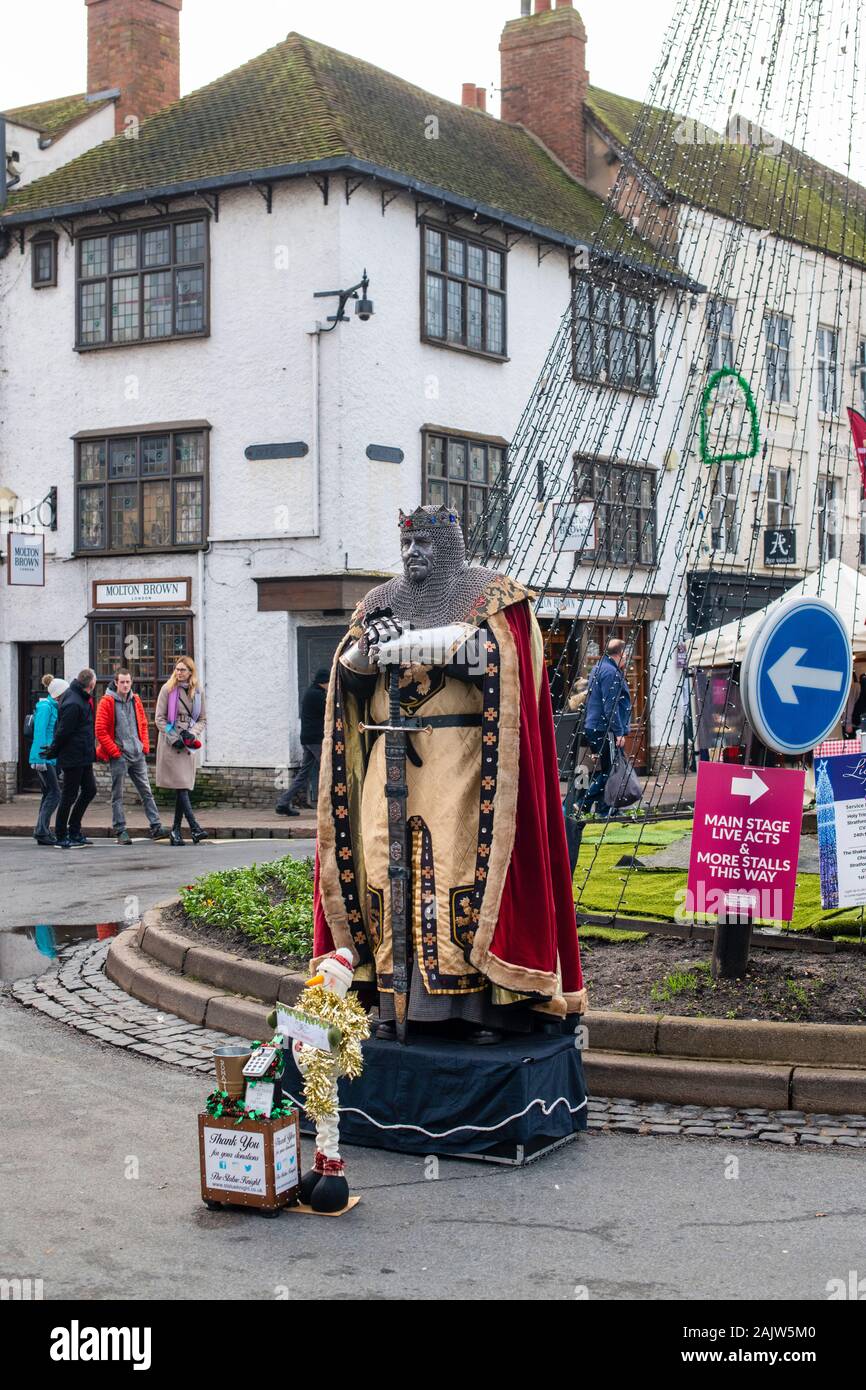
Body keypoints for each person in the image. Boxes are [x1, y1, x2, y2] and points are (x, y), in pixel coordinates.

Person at [313, 503, 586, 1044]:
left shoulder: (495, 599)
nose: (414, 555)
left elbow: (509, 667)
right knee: (386, 876)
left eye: (425, 545)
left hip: (463, 764)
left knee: (458, 874)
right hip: (385, 762)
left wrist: (442, 646)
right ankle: (392, 1002)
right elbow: (347, 679)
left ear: (451, 549)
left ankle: (476, 1009)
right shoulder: (378, 602)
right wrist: (371, 645)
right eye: (407, 545)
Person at [96, 669, 168, 844]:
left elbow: (143, 723)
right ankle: (120, 830)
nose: (126, 685)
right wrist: (115, 752)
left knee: (146, 791)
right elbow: (100, 730)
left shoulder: (135, 700)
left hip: (137, 754)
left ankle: (156, 826)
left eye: (128, 682)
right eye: (122, 682)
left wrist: (144, 746)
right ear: (115, 682)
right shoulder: (107, 702)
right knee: (118, 795)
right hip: (119, 755)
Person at [41, 668, 98, 849]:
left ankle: (74, 830)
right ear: (92, 684)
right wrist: (53, 751)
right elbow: (63, 731)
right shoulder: (74, 702)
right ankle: (61, 835)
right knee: (69, 796)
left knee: (90, 790)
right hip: (73, 756)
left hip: (83, 755)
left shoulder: (79, 697)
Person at [154, 655, 208, 846]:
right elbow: (159, 718)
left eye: (182, 670)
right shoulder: (167, 690)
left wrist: (192, 734)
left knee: (182, 787)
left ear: (190, 672)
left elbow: (202, 719)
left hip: (187, 744)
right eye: (176, 669)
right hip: (172, 742)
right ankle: (194, 827)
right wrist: (174, 738)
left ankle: (176, 831)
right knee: (181, 786)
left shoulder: (198, 692)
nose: (178, 673)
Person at [579, 638, 632, 817]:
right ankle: (583, 802)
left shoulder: (599, 667)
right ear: (622, 654)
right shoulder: (611, 673)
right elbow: (611, 706)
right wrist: (618, 732)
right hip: (605, 729)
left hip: (595, 726)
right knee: (612, 770)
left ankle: (605, 808)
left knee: (604, 769)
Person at [276, 668, 329, 816]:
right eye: (328, 682)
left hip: (308, 738)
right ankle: (328, 806)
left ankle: (283, 803)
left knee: (303, 773)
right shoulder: (317, 695)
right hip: (315, 739)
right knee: (328, 770)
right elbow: (329, 711)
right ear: (323, 682)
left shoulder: (311, 692)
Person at [29, 676, 69, 845]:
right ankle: (41, 831)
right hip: (43, 757)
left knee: (48, 793)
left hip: (49, 757)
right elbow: (39, 732)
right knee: (55, 794)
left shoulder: (53, 706)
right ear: (59, 693)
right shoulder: (46, 707)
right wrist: (40, 758)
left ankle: (41, 830)